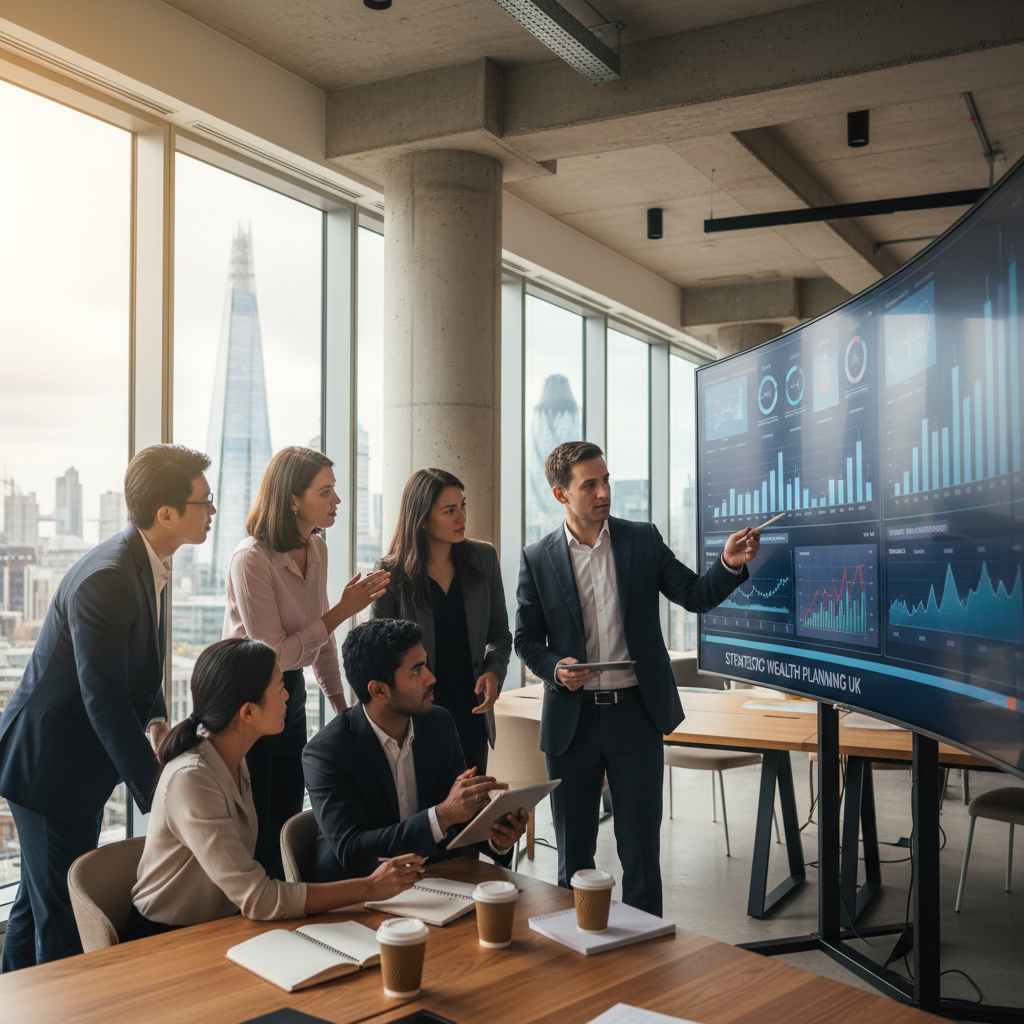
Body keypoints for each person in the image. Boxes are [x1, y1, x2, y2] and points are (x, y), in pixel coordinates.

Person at [514, 441, 760, 917]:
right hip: (572, 722)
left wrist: (729, 563)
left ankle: (646, 957)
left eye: (606, 480)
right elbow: (526, 640)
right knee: (573, 857)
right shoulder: (536, 558)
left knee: (641, 853)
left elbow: (694, 595)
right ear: (560, 494)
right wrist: (555, 668)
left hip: (635, 715)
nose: (604, 491)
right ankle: (577, 946)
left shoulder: (641, 539)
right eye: (591, 484)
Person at [0, 444, 215, 969]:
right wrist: (157, 792)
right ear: (166, 514)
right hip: (52, 767)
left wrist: (160, 719)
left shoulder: (146, 563)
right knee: (64, 917)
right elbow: (104, 701)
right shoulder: (110, 576)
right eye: (204, 502)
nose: (212, 512)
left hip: (72, 763)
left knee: (34, 905)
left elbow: (137, 668)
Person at [127, 638, 423, 938]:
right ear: (248, 712)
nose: (289, 694)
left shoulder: (234, 760)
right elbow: (259, 898)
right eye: (280, 685)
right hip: (162, 939)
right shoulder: (192, 779)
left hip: (221, 926)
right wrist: (370, 887)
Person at [223, 446, 389, 880]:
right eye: (326, 491)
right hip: (245, 702)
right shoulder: (251, 559)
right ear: (292, 499)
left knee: (283, 819)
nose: (337, 501)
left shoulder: (316, 548)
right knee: (254, 827)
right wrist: (342, 609)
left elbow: (322, 640)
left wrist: (341, 705)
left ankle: (286, 913)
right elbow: (271, 653)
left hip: (287, 693)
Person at [302, 618, 527, 883]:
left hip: (435, 883)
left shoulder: (439, 724)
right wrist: (441, 816)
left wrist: (497, 840)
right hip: (353, 897)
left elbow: (460, 818)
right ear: (379, 690)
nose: (432, 678)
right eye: (417, 671)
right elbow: (354, 852)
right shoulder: (326, 752)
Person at [372, 468, 511, 775]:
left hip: (472, 710)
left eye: (463, 506)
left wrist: (494, 672)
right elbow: (379, 655)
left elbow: (500, 634)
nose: (462, 517)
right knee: (427, 813)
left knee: (471, 810)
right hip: (416, 716)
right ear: (421, 519)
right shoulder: (390, 573)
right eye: (450, 511)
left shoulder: (483, 558)